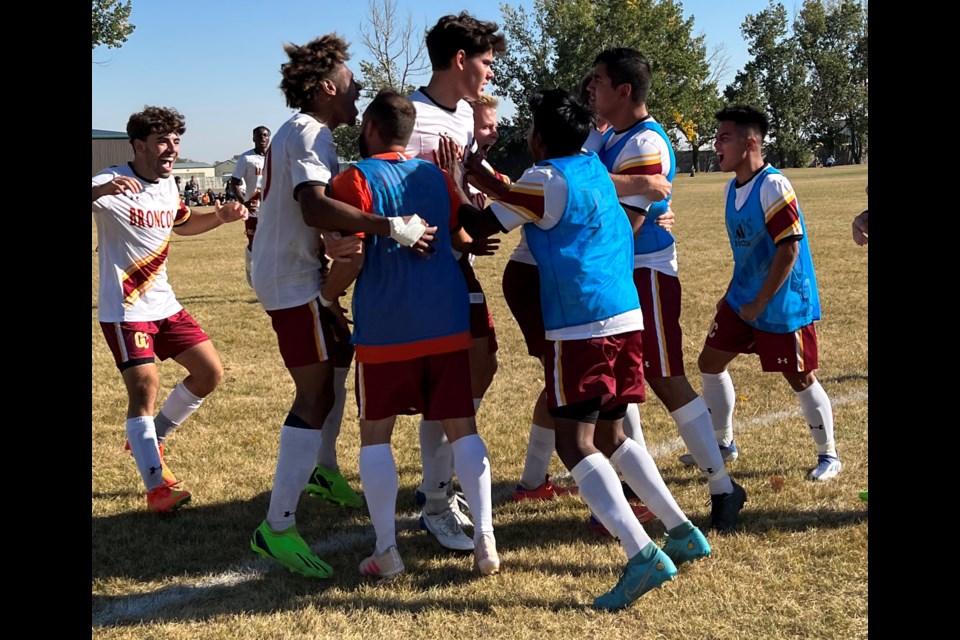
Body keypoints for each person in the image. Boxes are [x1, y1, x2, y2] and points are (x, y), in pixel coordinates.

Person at [459, 88, 711, 610]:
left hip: (581, 325)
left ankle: (640, 556)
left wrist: (453, 182)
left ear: (538, 137)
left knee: (575, 443)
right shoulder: (593, 168)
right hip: (625, 315)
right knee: (615, 433)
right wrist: (482, 174)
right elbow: (520, 196)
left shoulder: (545, 179)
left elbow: (482, 224)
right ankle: (681, 528)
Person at [248, 33, 436, 579]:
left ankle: (323, 469)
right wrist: (389, 227)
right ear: (327, 86)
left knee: (336, 361)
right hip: (290, 282)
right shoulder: (308, 131)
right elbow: (312, 207)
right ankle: (276, 527)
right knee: (315, 393)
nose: (359, 92)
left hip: (298, 275)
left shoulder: (314, 134)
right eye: (351, 83)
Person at [325, 90, 500, 578]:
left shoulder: (353, 178)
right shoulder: (435, 177)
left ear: (370, 128)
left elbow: (352, 255)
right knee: (462, 427)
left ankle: (387, 550)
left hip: (385, 326)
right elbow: (461, 231)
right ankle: (485, 539)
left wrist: (326, 297)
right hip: (445, 319)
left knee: (375, 434)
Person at [587, 47, 745, 533]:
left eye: (597, 81)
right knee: (620, 384)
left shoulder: (646, 143)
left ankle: (723, 487)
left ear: (624, 90)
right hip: (619, 272)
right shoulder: (608, 135)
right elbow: (579, 177)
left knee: (664, 376)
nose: (589, 88)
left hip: (645, 270)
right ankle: (635, 485)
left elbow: (627, 226)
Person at [91, 106, 248, 514]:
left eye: (176, 141)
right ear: (139, 145)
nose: (172, 149)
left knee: (209, 372)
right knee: (145, 387)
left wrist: (219, 216)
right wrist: (101, 192)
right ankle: (157, 488)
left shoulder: (169, 186)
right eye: (163, 141)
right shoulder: (111, 180)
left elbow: (182, 224)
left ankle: (152, 437)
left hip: (166, 304)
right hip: (125, 310)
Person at [402, 11, 507, 552]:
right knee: (446, 382)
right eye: (487, 63)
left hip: (454, 263)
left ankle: (437, 485)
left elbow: (459, 187)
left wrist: (475, 208)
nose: (491, 73)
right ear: (461, 59)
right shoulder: (405, 113)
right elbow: (385, 188)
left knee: (480, 362)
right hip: (416, 269)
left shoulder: (465, 116)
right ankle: (437, 500)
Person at [698, 104, 840, 484]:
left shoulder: (773, 185)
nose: (716, 145)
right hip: (743, 299)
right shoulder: (732, 188)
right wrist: (731, 294)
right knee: (709, 363)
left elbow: (789, 248)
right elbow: (746, 253)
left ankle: (829, 455)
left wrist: (761, 301)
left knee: (800, 377)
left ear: (751, 142)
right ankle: (724, 444)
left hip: (780, 304)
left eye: (724, 137)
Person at [228, 125, 271, 286]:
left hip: (272, 209)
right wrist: (244, 203)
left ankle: (266, 278)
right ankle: (250, 269)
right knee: (254, 244)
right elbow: (234, 183)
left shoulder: (276, 157)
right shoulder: (246, 158)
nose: (262, 138)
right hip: (253, 209)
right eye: (259, 136)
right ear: (253, 138)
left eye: (265, 135)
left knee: (272, 243)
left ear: (269, 137)